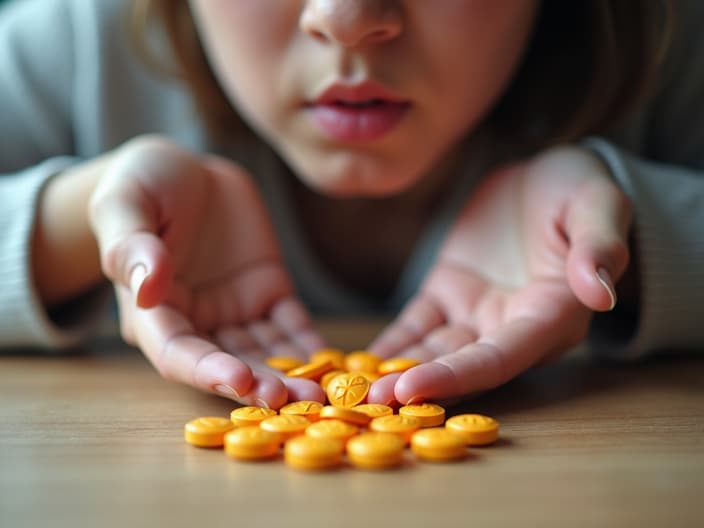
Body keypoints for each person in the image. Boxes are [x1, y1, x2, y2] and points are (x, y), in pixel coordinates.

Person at [1, 0, 702, 410]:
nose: (346, 20)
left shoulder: (668, 36)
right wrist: (81, 217)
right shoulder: (80, 37)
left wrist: (633, 240)